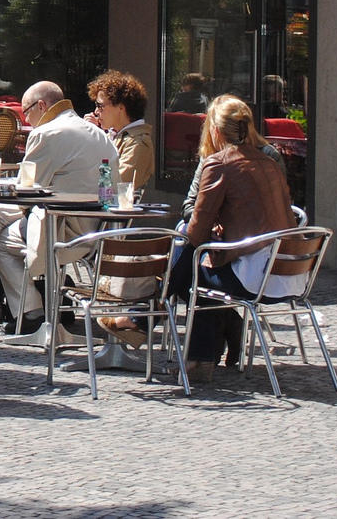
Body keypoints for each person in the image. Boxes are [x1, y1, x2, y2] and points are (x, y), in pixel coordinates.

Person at [0, 80, 117, 336]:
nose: (26, 119)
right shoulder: (98, 133)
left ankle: (24, 310)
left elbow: (27, 188)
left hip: (60, 230)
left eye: (26, 111)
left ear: (41, 105)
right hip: (96, 230)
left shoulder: (46, 133)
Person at [168, 96, 298, 382]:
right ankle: (212, 341)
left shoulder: (219, 163)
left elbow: (195, 232)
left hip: (253, 274)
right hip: (288, 271)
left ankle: (170, 317)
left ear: (214, 130)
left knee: (193, 270)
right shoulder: (270, 161)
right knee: (200, 267)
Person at [88, 70, 155, 192]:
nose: (96, 112)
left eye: (100, 106)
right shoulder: (112, 135)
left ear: (120, 107)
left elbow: (117, 185)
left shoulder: (138, 142)